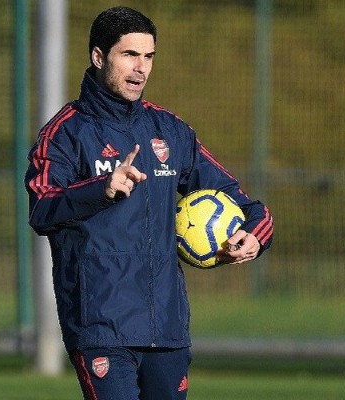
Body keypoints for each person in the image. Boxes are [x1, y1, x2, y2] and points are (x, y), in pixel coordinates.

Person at [25, 6, 273, 400]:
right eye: (129, 55)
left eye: (148, 56)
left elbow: (245, 204)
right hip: (100, 326)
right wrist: (101, 189)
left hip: (166, 328)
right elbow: (42, 209)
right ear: (98, 56)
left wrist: (255, 236)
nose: (141, 68)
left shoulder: (170, 131)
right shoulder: (64, 132)